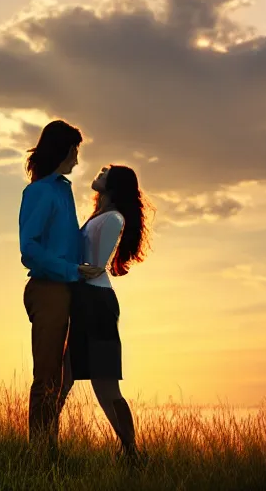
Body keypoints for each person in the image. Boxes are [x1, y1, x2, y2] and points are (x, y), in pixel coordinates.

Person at [19, 120, 104, 448]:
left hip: (68, 290)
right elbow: (30, 249)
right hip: (48, 290)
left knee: (60, 378)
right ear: (64, 150)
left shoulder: (63, 190)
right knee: (46, 379)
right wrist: (70, 270)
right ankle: (38, 455)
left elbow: (69, 242)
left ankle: (48, 450)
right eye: (75, 151)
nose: (78, 160)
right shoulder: (39, 191)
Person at [68, 164, 153, 462]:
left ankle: (132, 452)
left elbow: (95, 266)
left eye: (105, 172)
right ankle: (42, 446)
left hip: (97, 303)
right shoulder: (99, 216)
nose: (99, 172)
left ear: (115, 184)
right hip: (85, 300)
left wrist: (69, 271)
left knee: (105, 385)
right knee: (63, 377)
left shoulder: (113, 219)